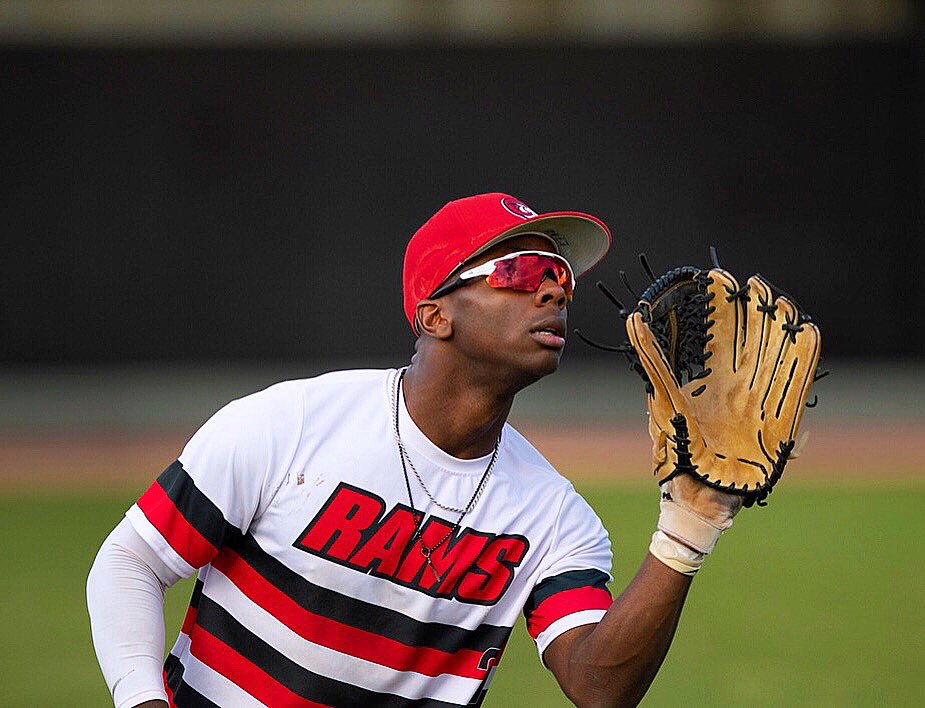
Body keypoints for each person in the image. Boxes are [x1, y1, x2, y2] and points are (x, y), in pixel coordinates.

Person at [87, 192, 739, 707]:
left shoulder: (556, 518)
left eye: (561, 276)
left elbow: (598, 686)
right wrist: (142, 701)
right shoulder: (293, 423)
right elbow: (131, 561)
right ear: (435, 315)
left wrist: (685, 530)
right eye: (523, 271)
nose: (555, 290)